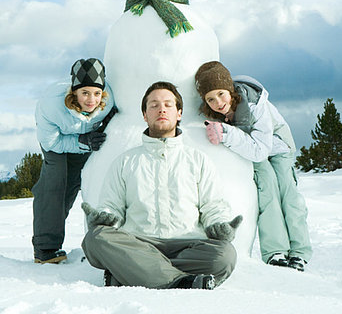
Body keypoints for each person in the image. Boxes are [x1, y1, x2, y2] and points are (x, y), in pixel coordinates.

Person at [81, 81, 241, 290]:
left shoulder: (198, 160)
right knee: (95, 239)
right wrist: (105, 217)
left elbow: (214, 205)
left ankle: (133, 273)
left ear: (179, 113)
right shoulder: (125, 161)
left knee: (225, 256)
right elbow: (112, 204)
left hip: (188, 244)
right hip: (138, 242)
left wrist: (218, 224)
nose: (161, 109)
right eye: (154, 105)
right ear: (145, 115)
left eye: (168, 104)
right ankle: (182, 281)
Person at [194, 61, 312, 272]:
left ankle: (300, 252)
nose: (218, 102)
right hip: (252, 153)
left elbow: (261, 150)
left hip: (277, 147)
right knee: (267, 192)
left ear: (230, 89)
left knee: (288, 193)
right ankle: (275, 251)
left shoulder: (257, 105)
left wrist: (228, 134)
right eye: (210, 99)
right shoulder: (214, 114)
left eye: (221, 94)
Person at [32, 57, 116, 264]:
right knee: (54, 185)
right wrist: (81, 141)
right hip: (56, 142)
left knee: (71, 188)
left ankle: (54, 232)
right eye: (85, 93)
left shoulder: (108, 102)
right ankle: (45, 248)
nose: (91, 100)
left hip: (83, 141)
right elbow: (51, 142)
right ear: (74, 92)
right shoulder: (51, 105)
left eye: (97, 93)